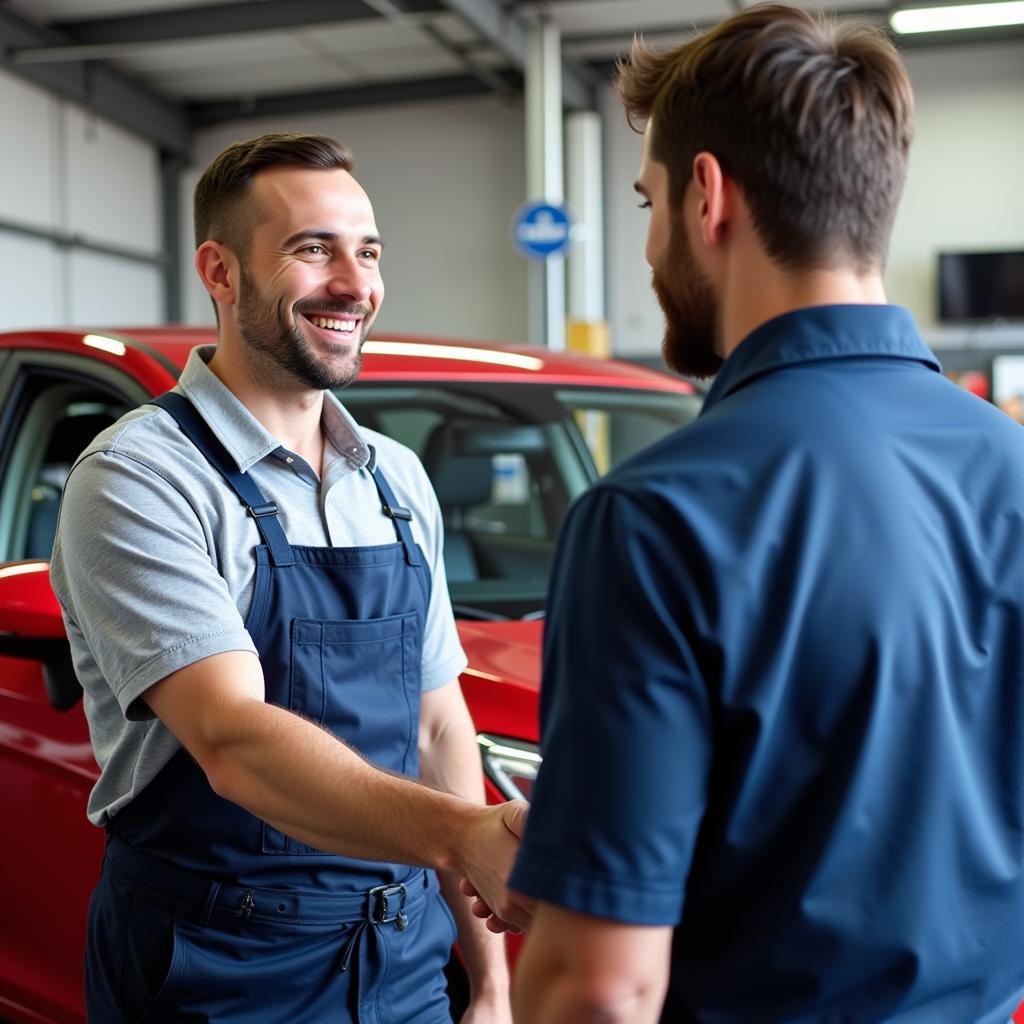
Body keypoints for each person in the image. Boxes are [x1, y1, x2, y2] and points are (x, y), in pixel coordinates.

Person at [502, 5, 1024, 1022]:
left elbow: (598, 988)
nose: (651, 245)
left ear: (707, 197)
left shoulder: (655, 519)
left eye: (648, 200)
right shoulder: (1015, 467)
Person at [50, 131, 528, 1024]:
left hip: (404, 959)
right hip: (217, 966)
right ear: (220, 273)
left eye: (369, 251)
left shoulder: (394, 479)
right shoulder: (142, 478)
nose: (355, 284)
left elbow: (435, 722)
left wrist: (493, 981)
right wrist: (468, 837)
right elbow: (231, 740)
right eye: (313, 249)